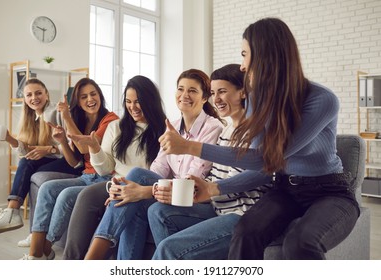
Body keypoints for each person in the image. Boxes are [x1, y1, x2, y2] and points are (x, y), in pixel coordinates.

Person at [157, 17, 359, 260]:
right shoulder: (255, 101)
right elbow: (262, 166)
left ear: (266, 56)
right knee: (245, 232)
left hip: (329, 192)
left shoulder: (322, 100)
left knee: (300, 243)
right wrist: (213, 187)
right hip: (285, 189)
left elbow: (266, 159)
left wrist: (189, 146)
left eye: (245, 54)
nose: (242, 66)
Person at [83, 69, 224, 260]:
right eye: (181, 89)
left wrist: (144, 190)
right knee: (133, 188)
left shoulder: (213, 127)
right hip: (173, 193)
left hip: (197, 200)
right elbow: (158, 168)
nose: (184, 95)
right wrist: (127, 189)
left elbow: (191, 181)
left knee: (137, 185)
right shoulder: (172, 126)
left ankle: (90, 260)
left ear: (205, 97)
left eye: (192, 91)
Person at [148, 64, 271, 260]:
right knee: (157, 211)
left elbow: (252, 176)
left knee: (168, 248)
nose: (217, 99)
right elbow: (213, 177)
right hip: (217, 207)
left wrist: (207, 190)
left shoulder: (257, 131)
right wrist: (196, 189)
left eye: (222, 92)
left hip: (240, 214)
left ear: (243, 93)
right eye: (214, 93)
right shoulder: (227, 130)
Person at [62, 75, 167, 260]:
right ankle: (72, 261)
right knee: (86, 195)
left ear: (150, 101)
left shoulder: (164, 130)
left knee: (128, 192)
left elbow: (160, 172)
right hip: (114, 183)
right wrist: (94, 147)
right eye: (128, 101)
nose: (132, 107)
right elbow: (104, 169)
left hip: (144, 188)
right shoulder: (115, 127)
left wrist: (132, 188)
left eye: (138, 101)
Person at [20, 78, 119, 260]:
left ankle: (44, 250)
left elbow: (84, 147)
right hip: (86, 176)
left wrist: (66, 117)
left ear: (100, 96)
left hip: (104, 179)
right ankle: (35, 253)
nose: (90, 99)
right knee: (47, 188)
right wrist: (62, 141)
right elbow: (75, 162)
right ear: (78, 102)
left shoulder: (111, 120)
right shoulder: (81, 122)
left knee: (66, 195)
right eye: (83, 97)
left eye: (93, 94)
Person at [0, 78, 81, 235]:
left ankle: (14, 213)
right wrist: (10, 139)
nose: (34, 98)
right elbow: (27, 152)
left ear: (46, 94)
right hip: (52, 161)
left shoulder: (57, 112)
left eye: (39, 93)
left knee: (29, 167)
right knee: (27, 162)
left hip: (69, 162)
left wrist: (49, 150)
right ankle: (28, 226)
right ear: (24, 99)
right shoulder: (30, 118)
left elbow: (73, 146)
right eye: (29, 95)